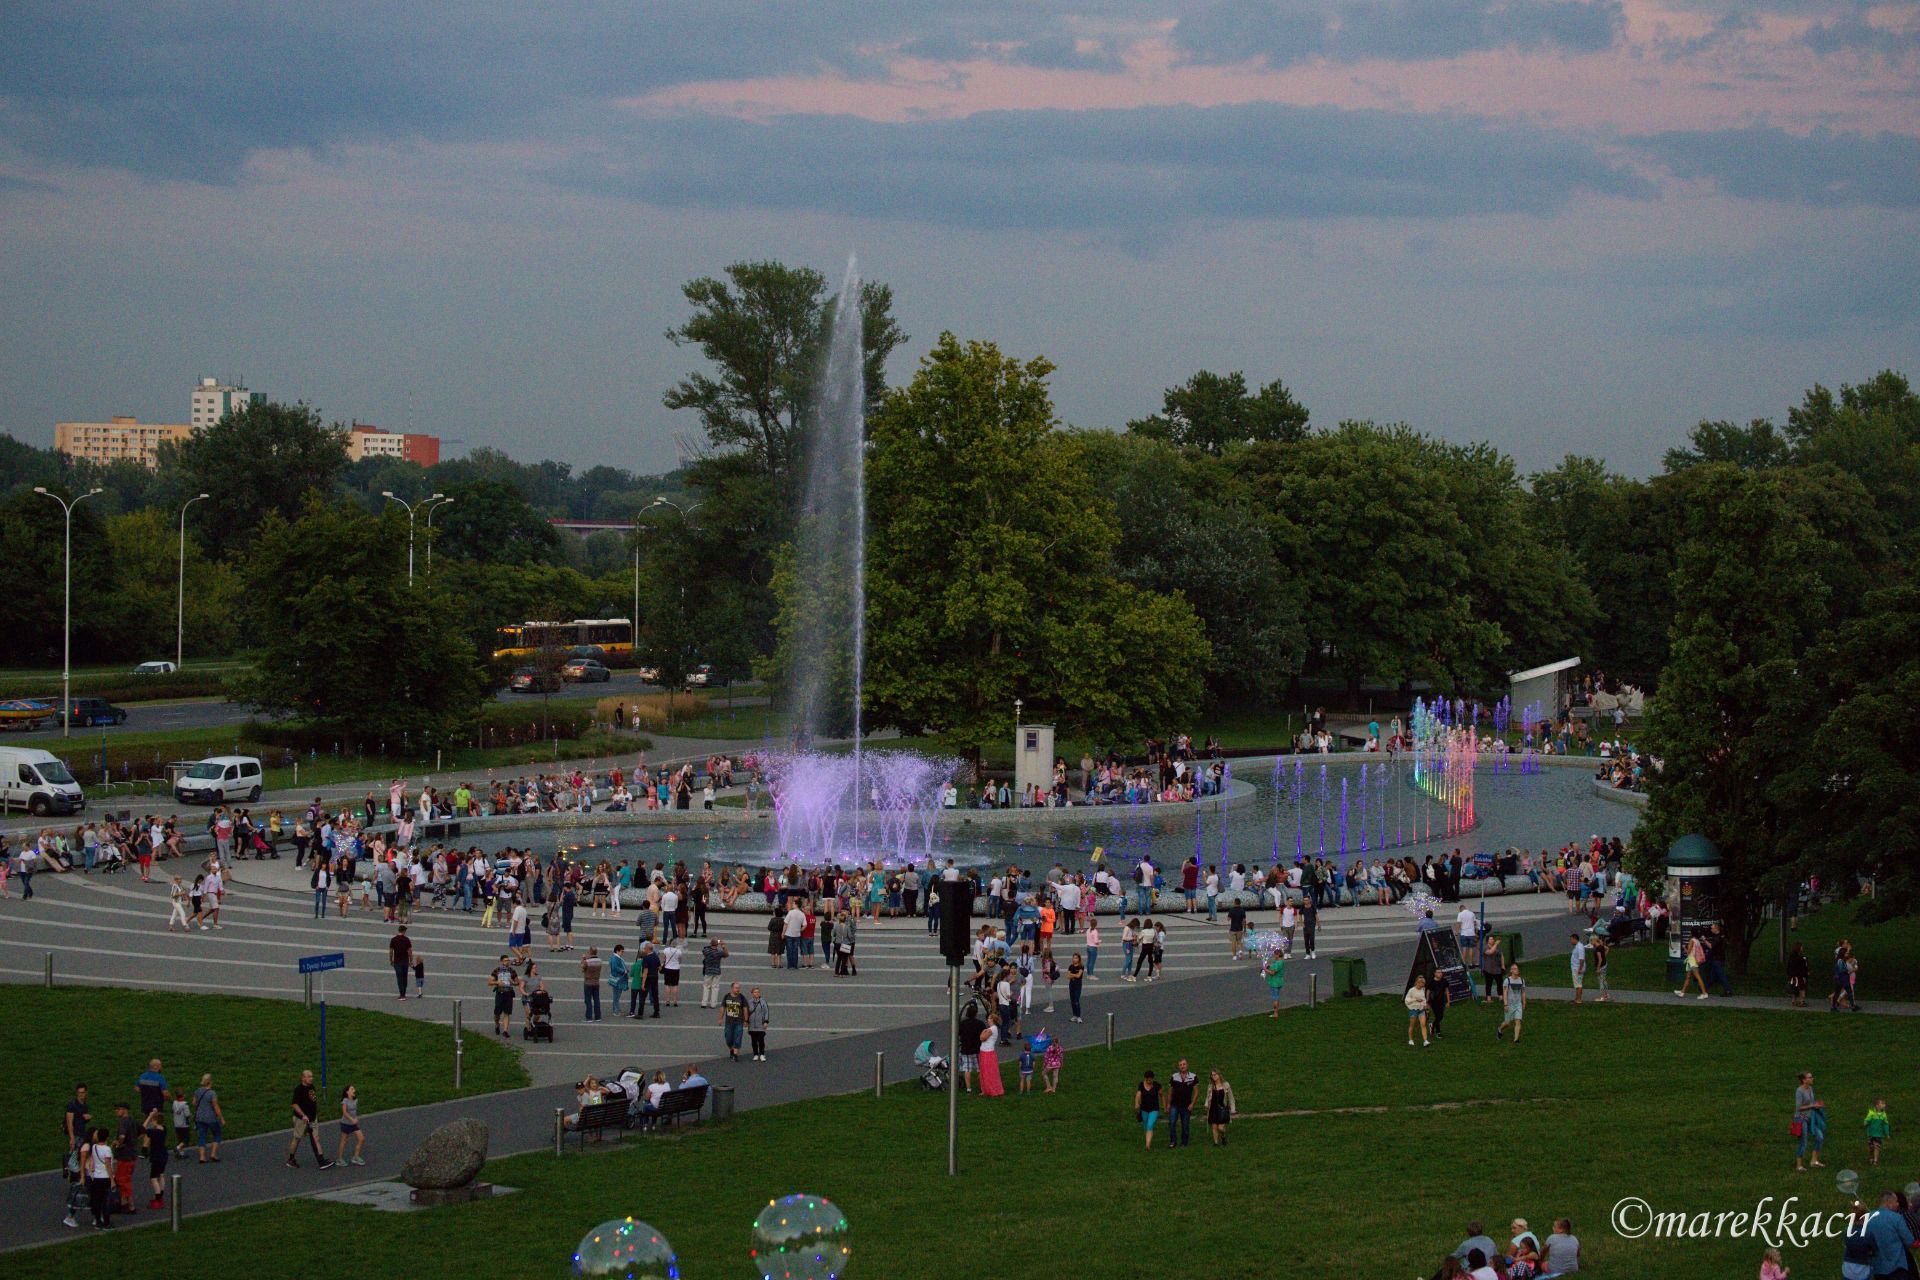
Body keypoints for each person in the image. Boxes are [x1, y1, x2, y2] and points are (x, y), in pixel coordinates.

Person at [286, 1069, 334, 1169]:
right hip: (301, 1120)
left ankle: (321, 1161)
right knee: (297, 1138)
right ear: (303, 1078)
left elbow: (312, 1101)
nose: (311, 1078)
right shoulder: (299, 1090)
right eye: (309, 1076)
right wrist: (303, 1115)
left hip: (312, 1118)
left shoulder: (311, 1087)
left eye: (312, 1076)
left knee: (316, 1138)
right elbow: (294, 1104)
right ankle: (291, 1159)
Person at [1794, 1071, 1827, 1171]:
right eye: (1810, 1077)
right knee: (1803, 1141)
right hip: (1800, 1119)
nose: (1812, 1079)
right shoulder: (1799, 1091)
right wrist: (1813, 1106)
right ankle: (1799, 1166)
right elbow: (1799, 1108)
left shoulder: (1810, 1089)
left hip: (1810, 1119)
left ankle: (1814, 1161)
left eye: (1812, 1077)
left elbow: (1811, 1102)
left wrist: (1817, 1104)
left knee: (1820, 1137)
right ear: (1804, 1080)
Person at [84, 1126, 115, 1229]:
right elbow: (108, 1165)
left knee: (97, 1200)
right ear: (107, 1137)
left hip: (96, 1177)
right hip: (105, 1177)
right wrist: (112, 1180)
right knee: (106, 1201)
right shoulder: (107, 1149)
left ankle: (98, 1221)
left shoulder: (94, 1147)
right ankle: (107, 1223)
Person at [192, 1074, 224, 1161]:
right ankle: (213, 1154)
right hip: (211, 1117)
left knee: (202, 1136)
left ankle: (202, 1157)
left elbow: (194, 1103)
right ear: (210, 1082)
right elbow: (216, 1107)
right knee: (217, 1134)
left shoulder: (198, 1091)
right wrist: (221, 1118)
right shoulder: (212, 1093)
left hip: (199, 1117)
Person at [1167, 1059, 1197, 1149]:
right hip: (1174, 1104)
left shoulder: (1193, 1077)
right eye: (1180, 1065)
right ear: (1178, 1066)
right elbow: (1170, 1092)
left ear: (1187, 1065)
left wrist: (1192, 1104)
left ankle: (1184, 1142)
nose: (1182, 1066)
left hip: (1186, 1105)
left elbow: (1196, 1092)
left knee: (1185, 1124)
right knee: (1172, 1122)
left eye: (1184, 1064)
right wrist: (1168, 1104)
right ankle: (1173, 1141)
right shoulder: (1174, 1077)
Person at [335, 1084, 365, 1166]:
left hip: (353, 1123)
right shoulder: (345, 1101)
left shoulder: (355, 1100)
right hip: (346, 1123)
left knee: (361, 1138)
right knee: (344, 1141)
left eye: (354, 1089)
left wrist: (355, 1118)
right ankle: (340, 1159)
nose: (354, 1090)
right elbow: (344, 1112)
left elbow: (354, 1111)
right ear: (347, 1092)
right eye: (352, 1089)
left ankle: (356, 1157)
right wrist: (352, 1119)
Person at [489, 954, 518, 1038]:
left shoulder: (512, 971)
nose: (507, 962)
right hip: (500, 993)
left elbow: (518, 982)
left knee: (507, 1013)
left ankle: (505, 1030)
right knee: (497, 1013)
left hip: (509, 993)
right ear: (501, 962)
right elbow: (489, 982)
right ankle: (497, 1024)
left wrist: (513, 983)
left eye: (508, 960)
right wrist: (497, 982)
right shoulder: (497, 970)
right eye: (505, 960)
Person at [1498, 963, 1527, 1042]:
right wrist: (1505, 1004)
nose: (1516, 970)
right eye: (1514, 969)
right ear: (1511, 971)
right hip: (1509, 1004)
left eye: (1517, 968)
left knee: (1518, 1021)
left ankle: (1516, 1039)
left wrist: (1524, 1002)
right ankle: (1500, 1029)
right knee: (1507, 1023)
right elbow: (1505, 993)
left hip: (1518, 1004)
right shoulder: (1507, 981)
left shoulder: (1521, 980)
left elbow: (1523, 992)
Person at [1206, 1069, 1236, 1146]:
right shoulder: (1210, 1086)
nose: (1214, 1076)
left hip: (1222, 1109)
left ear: (1219, 1075)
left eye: (1215, 1074)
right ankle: (1215, 1143)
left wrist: (1233, 1109)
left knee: (1221, 1128)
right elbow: (1208, 1097)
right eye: (1212, 1075)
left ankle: (1223, 1136)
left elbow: (1231, 1098)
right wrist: (1206, 1104)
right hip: (1213, 1109)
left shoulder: (1226, 1085)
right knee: (1214, 1126)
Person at [978, 1013, 1005, 1097]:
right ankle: (986, 1089)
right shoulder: (992, 1029)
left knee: (988, 1072)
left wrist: (983, 1031)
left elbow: (982, 1038)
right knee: (985, 1071)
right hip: (985, 1051)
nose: (988, 1020)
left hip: (987, 1052)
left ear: (993, 1020)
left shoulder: (991, 1029)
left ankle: (990, 1089)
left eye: (989, 1018)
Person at [720, 983, 748, 1061]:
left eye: (739, 988)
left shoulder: (741, 997)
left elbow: (745, 1008)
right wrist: (720, 1018)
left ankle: (735, 1054)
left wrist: (746, 1020)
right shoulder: (726, 996)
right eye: (736, 988)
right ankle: (731, 1049)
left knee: (738, 1037)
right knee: (728, 1038)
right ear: (732, 988)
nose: (738, 989)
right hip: (729, 1022)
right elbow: (723, 1007)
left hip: (739, 1021)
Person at [1135, 1069, 1161, 1150]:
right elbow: (1138, 1094)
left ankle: (1147, 1145)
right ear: (1145, 1078)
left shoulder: (1156, 1085)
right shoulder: (1141, 1085)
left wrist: (1165, 1105)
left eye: (1151, 1079)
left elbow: (1162, 1095)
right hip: (1144, 1109)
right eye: (1148, 1079)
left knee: (1150, 1125)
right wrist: (1137, 1103)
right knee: (1146, 1126)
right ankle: (1148, 1141)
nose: (1149, 1081)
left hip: (1154, 1109)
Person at [1865, 1099, 1893, 1166]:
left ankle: (1875, 1160)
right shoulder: (1871, 1113)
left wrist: (1887, 1133)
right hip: (1871, 1133)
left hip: (1879, 1134)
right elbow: (1867, 1120)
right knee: (1871, 1147)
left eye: (1884, 1104)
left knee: (1877, 1146)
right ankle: (1871, 1157)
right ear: (1877, 1106)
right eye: (1882, 1103)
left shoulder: (1884, 1115)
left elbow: (1885, 1124)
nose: (1884, 1105)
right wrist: (1866, 1122)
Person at [1405, 976, 1431, 1048]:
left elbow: (1423, 999)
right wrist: (1415, 1000)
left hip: (1421, 1010)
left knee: (1423, 1024)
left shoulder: (1423, 989)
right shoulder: (1411, 990)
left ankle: (1425, 1041)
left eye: (1424, 983)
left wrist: (1425, 1006)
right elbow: (1407, 1000)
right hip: (1413, 1010)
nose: (1424, 984)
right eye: (1422, 983)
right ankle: (1410, 1039)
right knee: (1412, 1025)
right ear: (1418, 983)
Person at [388, 925, 413, 999]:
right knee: (405, 977)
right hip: (405, 961)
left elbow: (391, 951)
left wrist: (390, 959)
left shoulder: (393, 939)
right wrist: (411, 960)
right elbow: (410, 951)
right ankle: (404, 993)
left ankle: (401, 994)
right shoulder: (407, 939)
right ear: (404, 931)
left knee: (399, 977)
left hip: (397, 961)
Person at [747, 986, 771, 1061]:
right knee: (753, 1041)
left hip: (760, 1024)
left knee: (761, 1040)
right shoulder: (749, 1002)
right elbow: (746, 1012)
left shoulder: (763, 1002)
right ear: (752, 993)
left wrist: (766, 1021)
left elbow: (766, 1012)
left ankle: (762, 1054)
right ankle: (755, 1054)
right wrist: (746, 1021)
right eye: (755, 992)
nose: (756, 993)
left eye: (758, 992)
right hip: (752, 1025)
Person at [581, 946, 604, 1022]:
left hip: (588, 983)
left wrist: (584, 959)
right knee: (596, 1000)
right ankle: (598, 1017)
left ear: (590, 952)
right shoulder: (600, 961)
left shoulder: (587, 962)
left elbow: (582, 968)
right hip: (596, 982)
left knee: (588, 1001)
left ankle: (589, 1017)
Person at [1264, 947, 1286, 1017]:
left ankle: (1275, 1013)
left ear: (1277, 955)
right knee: (1277, 997)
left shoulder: (1277, 963)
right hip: (1279, 981)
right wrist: (1269, 966)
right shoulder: (1281, 961)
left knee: (1275, 998)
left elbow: (1273, 973)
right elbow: (1273, 966)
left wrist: (1265, 969)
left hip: (1274, 982)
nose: (1273, 956)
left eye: (1274, 955)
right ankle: (1276, 1012)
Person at [1066, 953, 1086, 1023]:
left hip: (1078, 984)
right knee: (1072, 1000)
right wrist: (1074, 975)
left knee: (1076, 1000)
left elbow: (1078, 976)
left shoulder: (1081, 966)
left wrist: (1072, 974)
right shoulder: (1070, 966)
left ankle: (1079, 1016)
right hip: (1071, 984)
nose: (1074, 959)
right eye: (1074, 958)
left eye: (1076, 958)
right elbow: (1068, 976)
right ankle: (1074, 1015)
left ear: (1079, 959)